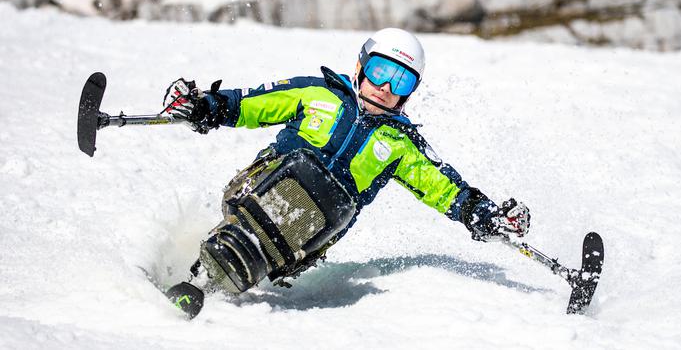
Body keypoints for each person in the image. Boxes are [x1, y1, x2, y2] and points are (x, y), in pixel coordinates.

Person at [163, 28, 530, 308]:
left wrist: (483, 214)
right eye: (380, 71)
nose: (385, 87)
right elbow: (249, 104)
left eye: (400, 80)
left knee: (333, 202)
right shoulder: (318, 93)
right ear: (360, 66)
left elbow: (444, 187)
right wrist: (204, 105)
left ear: (410, 91)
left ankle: (216, 284)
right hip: (259, 195)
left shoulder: (400, 144)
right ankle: (190, 277)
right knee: (296, 173)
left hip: (306, 234)